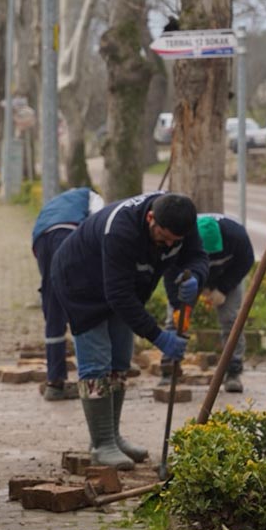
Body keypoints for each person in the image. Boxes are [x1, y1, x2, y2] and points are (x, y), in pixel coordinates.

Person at [49, 192, 208, 470]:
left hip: (122, 287)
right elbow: (118, 296)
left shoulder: (181, 220)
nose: (169, 245)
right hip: (80, 283)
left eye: (175, 241)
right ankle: (101, 444)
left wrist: (196, 275)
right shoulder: (120, 230)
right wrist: (159, 337)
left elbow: (197, 256)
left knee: (121, 359)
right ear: (150, 218)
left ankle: (113, 436)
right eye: (164, 237)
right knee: (97, 361)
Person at [165, 213, 255, 393]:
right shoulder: (180, 241)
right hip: (189, 278)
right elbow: (169, 273)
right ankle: (169, 369)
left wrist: (222, 288)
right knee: (175, 320)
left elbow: (246, 262)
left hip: (225, 276)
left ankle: (233, 371)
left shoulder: (236, 236)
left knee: (231, 320)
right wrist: (177, 305)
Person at [32, 186, 105, 400]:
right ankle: (91, 377)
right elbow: (98, 223)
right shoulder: (91, 196)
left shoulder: (54, 202)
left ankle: (55, 382)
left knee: (53, 306)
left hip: (41, 241)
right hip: (71, 236)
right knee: (81, 304)